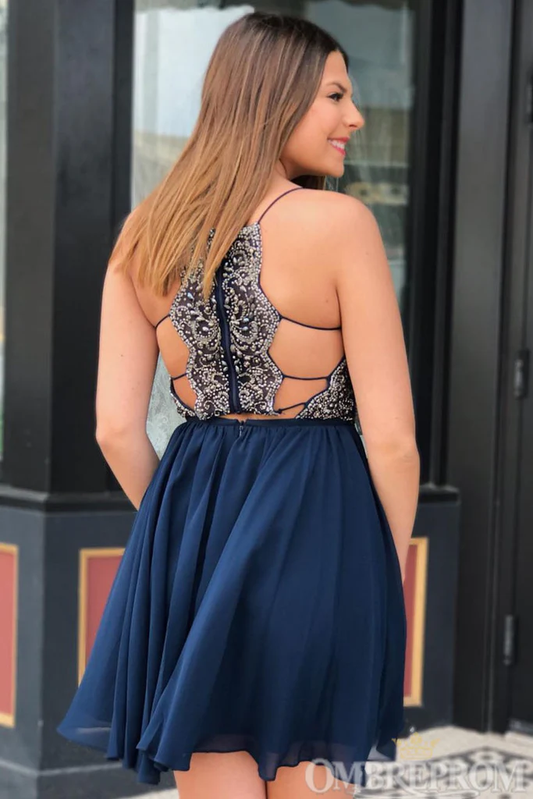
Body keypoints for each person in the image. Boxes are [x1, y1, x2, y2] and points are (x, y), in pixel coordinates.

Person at [56, 11, 419, 799]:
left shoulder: (142, 233)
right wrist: (381, 565)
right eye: (335, 95)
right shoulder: (341, 225)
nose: (355, 116)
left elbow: (115, 428)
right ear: (272, 97)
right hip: (321, 525)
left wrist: (186, 533)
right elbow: (391, 439)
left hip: (192, 534)